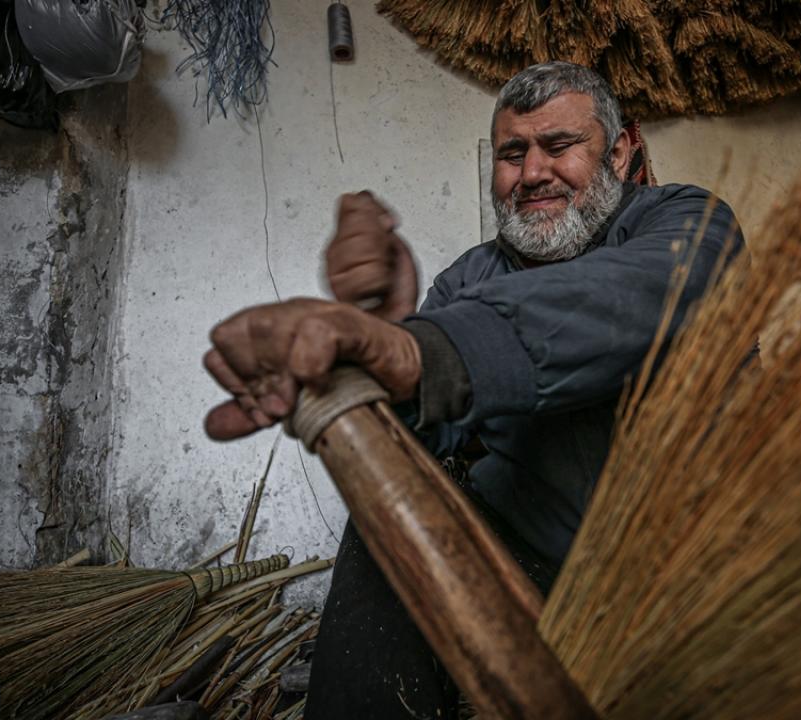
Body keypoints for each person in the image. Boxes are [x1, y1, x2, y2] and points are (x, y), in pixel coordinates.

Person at [202, 61, 744, 718]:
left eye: (560, 146)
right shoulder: (469, 278)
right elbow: (427, 440)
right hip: (532, 571)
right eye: (512, 154)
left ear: (622, 152)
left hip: (694, 574)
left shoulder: (686, 220)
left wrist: (424, 349)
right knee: (386, 525)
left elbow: (644, 298)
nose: (533, 172)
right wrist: (382, 341)